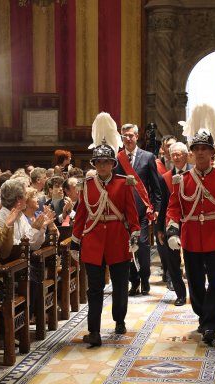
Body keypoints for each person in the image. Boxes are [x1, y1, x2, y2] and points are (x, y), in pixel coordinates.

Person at [71, 112, 141, 348]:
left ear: (112, 164)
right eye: (98, 162)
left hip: (117, 239)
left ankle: (119, 319)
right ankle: (94, 331)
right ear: (94, 165)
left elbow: (131, 212)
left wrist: (135, 232)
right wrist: (74, 240)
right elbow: (82, 214)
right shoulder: (87, 185)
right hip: (93, 242)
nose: (102, 166)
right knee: (94, 289)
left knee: (121, 285)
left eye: (106, 162)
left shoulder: (123, 183)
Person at [166, 127, 215, 347]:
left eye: (204, 149)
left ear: (211, 153)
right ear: (192, 153)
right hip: (190, 238)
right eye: (196, 149)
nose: (200, 153)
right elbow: (174, 208)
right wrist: (172, 230)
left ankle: (211, 326)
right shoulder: (182, 180)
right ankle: (202, 314)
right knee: (196, 284)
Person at [115, 123, 162, 296]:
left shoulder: (148, 157)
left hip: (142, 211)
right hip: (123, 212)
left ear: (136, 136)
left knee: (142, 245)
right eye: (125, 135)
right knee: (127, 247)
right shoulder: (118, 158)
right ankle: (133, 281)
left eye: (131, 135)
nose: (128, 138)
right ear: (122, 137)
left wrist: (156, 208)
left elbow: (155, 186)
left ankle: (145, 279)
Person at [156, 141, 191, 305]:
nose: (176, 157)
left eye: (179, 154)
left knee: (192, 260)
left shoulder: (194, 174)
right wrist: (159, 228)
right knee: (172, 261)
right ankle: (180, 294)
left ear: (186, 156)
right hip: (171, 223)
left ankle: (196, 292)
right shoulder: (166, 178)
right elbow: (163, 204)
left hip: (191, 222)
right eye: (173, 154)